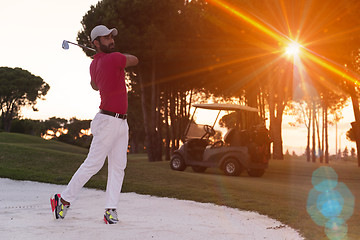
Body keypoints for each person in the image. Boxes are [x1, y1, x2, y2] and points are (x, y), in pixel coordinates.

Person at [50, 25, 139, 224]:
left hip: (120, 122)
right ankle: (63, 200)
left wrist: (102, 60)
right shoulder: (114, 58)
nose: (111, 40)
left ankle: (110, 210)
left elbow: (94, 85)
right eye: (106, 38)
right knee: (93, 164)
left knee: (118, 167)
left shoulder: (95, 64)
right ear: (96, 43)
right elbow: (135, 59)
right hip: (108, 121)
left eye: (111, 37)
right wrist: (111, 59)